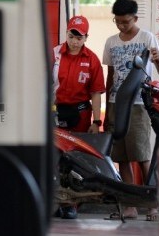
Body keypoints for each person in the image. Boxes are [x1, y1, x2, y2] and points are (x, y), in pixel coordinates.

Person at [103, 0, 159, 221]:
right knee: (121, 156)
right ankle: (130, 206)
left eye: (125, 22)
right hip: (115, 104)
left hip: (139, 104)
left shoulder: (147, 38)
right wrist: (106, 107)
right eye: (117, 21)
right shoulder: (111, 42)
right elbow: (110, 75)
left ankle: (152, 205)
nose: (121, 26)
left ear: (135, 18)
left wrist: (158, 61)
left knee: (142, 155)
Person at [52, 15, 106, 219]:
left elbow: (96, 93)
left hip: (81, 113)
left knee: (77, 160)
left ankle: (73, 204)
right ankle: (56, 200)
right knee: (56, 159)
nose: (74, 41)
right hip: (56, 113)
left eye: (79, 37)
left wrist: (96, 121)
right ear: (66, 33)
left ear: (86, 37)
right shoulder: (54, 54)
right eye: (71, 35)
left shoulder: (91, 60)